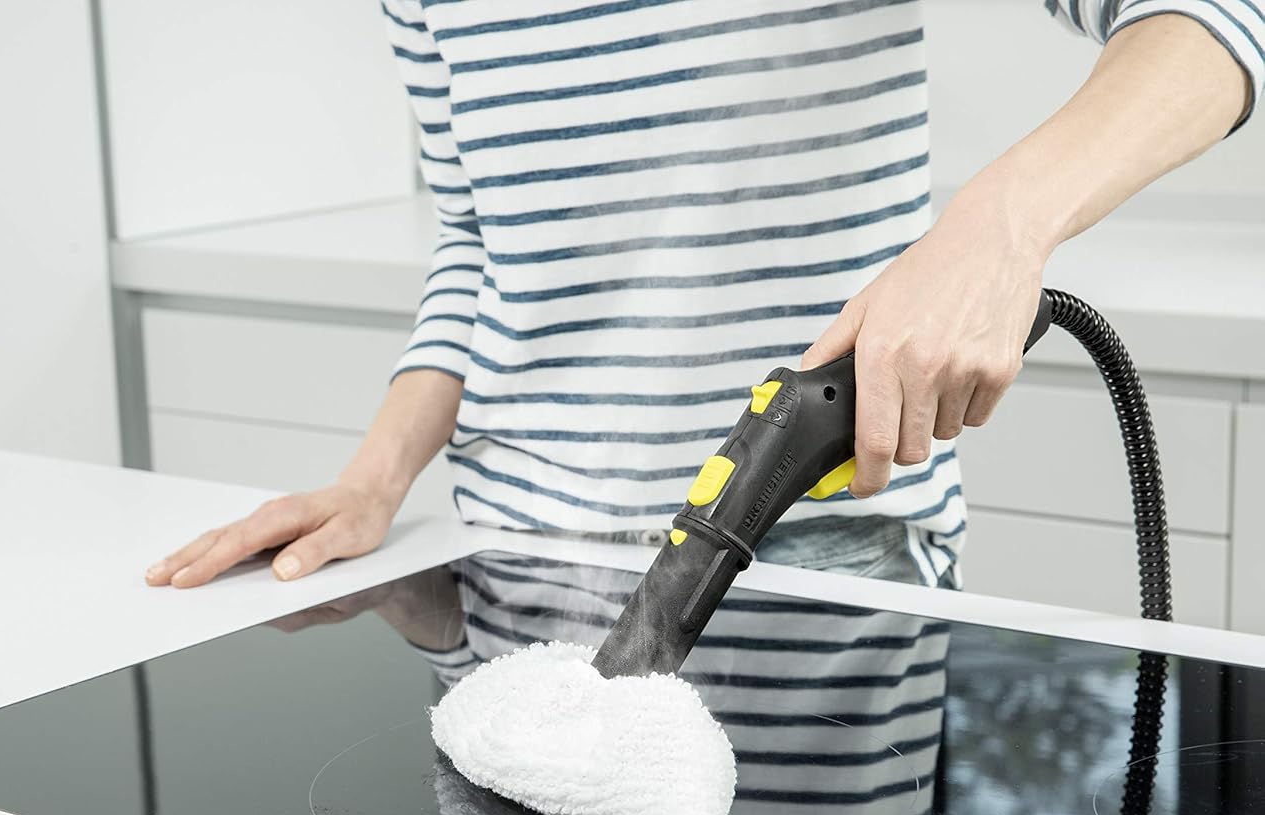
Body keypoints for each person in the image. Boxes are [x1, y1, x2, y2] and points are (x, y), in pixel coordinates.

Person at [146, 1, 1261, 591]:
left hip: (815, 551)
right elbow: (481, 239)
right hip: (515, 552)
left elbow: (1214, 14)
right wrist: (372, 480)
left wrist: (997, 227)